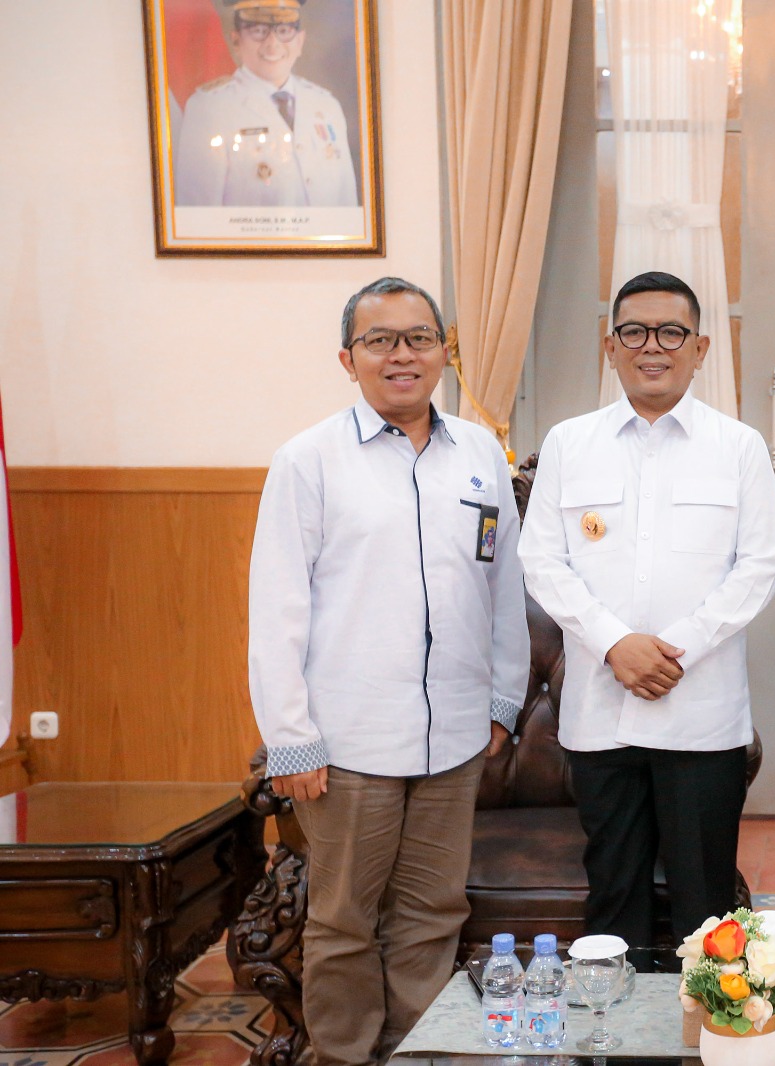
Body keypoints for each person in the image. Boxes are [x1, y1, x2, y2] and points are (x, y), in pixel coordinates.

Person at [249, 277, 529, 1064]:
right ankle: (343, 1055)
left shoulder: (479, 453)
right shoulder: (308, 460)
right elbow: (277, 607)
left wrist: (502, 701)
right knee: (343, 921)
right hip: (349, 744)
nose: (402, 355)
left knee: (434, 913)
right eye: (380, 340)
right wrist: (292, 738)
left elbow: (502, 585)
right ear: (349, 359)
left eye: (419, 338)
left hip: (456, 735)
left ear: (444, 352)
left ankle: (418, 1051)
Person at [519, 271, 775, 966]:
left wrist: (675, 650)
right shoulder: (570, 443)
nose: (652, 346)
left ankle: (707, 1023)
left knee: (706, 906)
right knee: (614, 894)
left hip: (701, 714)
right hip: (599, 712)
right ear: (611, 347)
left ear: (700, 348)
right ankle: (615, 1020)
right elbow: (541, 560)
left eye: (671, 332)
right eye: (634, 332)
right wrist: (616, 645)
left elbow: (760, 564)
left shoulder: (738, 446)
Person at [174, 0, 358, 208]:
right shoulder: (209, 109)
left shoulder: (326, 106)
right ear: (236, 40)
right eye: (259, 31)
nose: (272, 44)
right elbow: (199, 215)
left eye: (284, 31)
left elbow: (347, 207)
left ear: (300, 41)